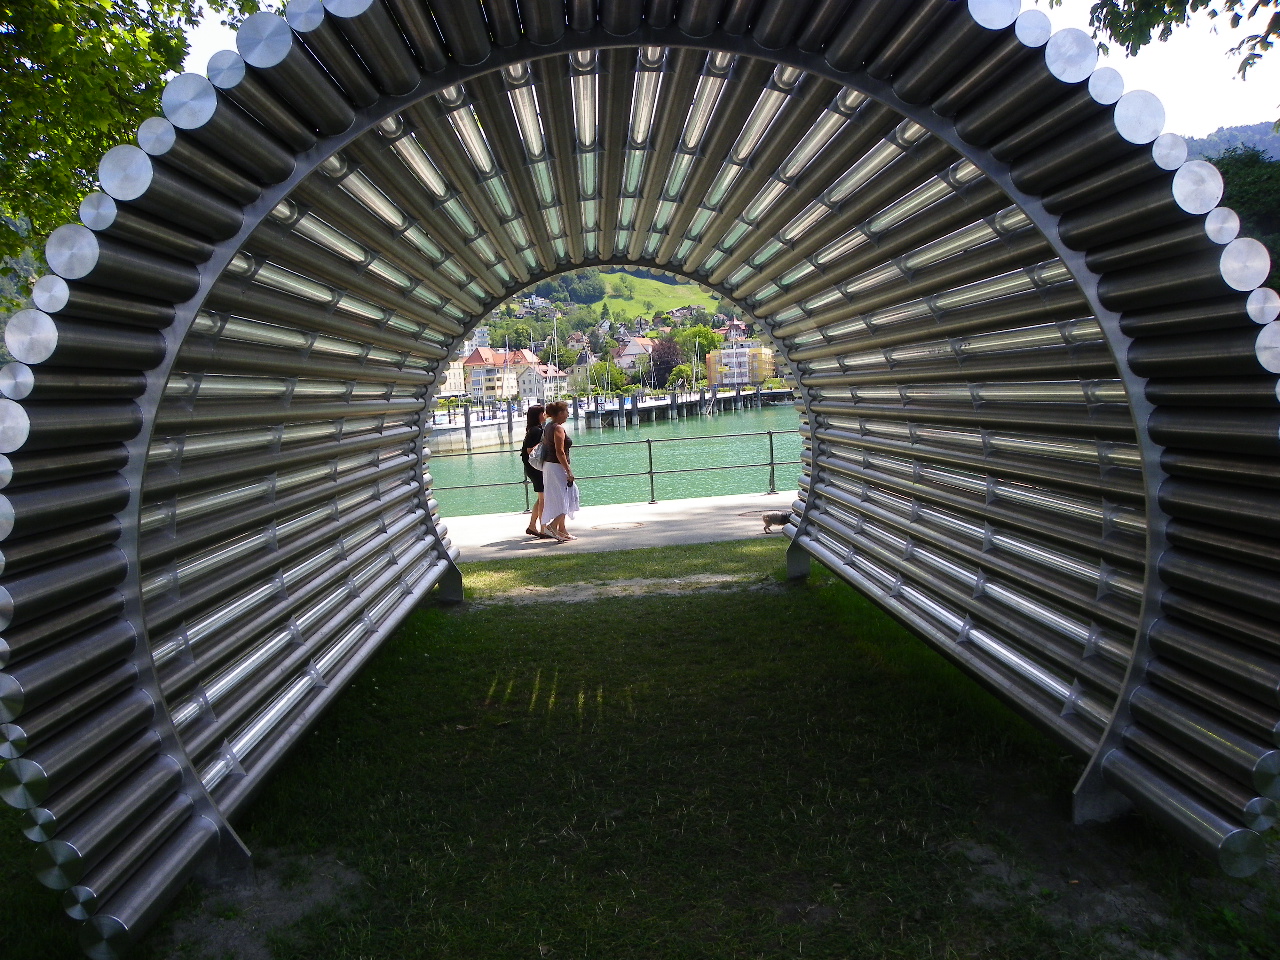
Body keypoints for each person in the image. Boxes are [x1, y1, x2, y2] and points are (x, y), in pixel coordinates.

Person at [539, 400, 579, 543]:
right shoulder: (558, 428)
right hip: (557, 466)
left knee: (563, 496)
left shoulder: (549, 426)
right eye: (566, 412)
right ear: (560, 413)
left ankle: (562, 530)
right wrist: (569, 471)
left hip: (549, 466)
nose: (568, 414)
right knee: (568, 495)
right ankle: (552, 526)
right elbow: (560, 452)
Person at [520, 404, 550, 538]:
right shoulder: (536, 431)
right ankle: (543, 529)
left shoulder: (534, 429)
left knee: (542, 498)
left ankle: (532, 526)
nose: (545, 415)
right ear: (538, 415)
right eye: (543, 413)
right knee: (543, 499)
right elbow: (529, 450)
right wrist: (544, 443)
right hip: (536, 468)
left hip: (532, 467)